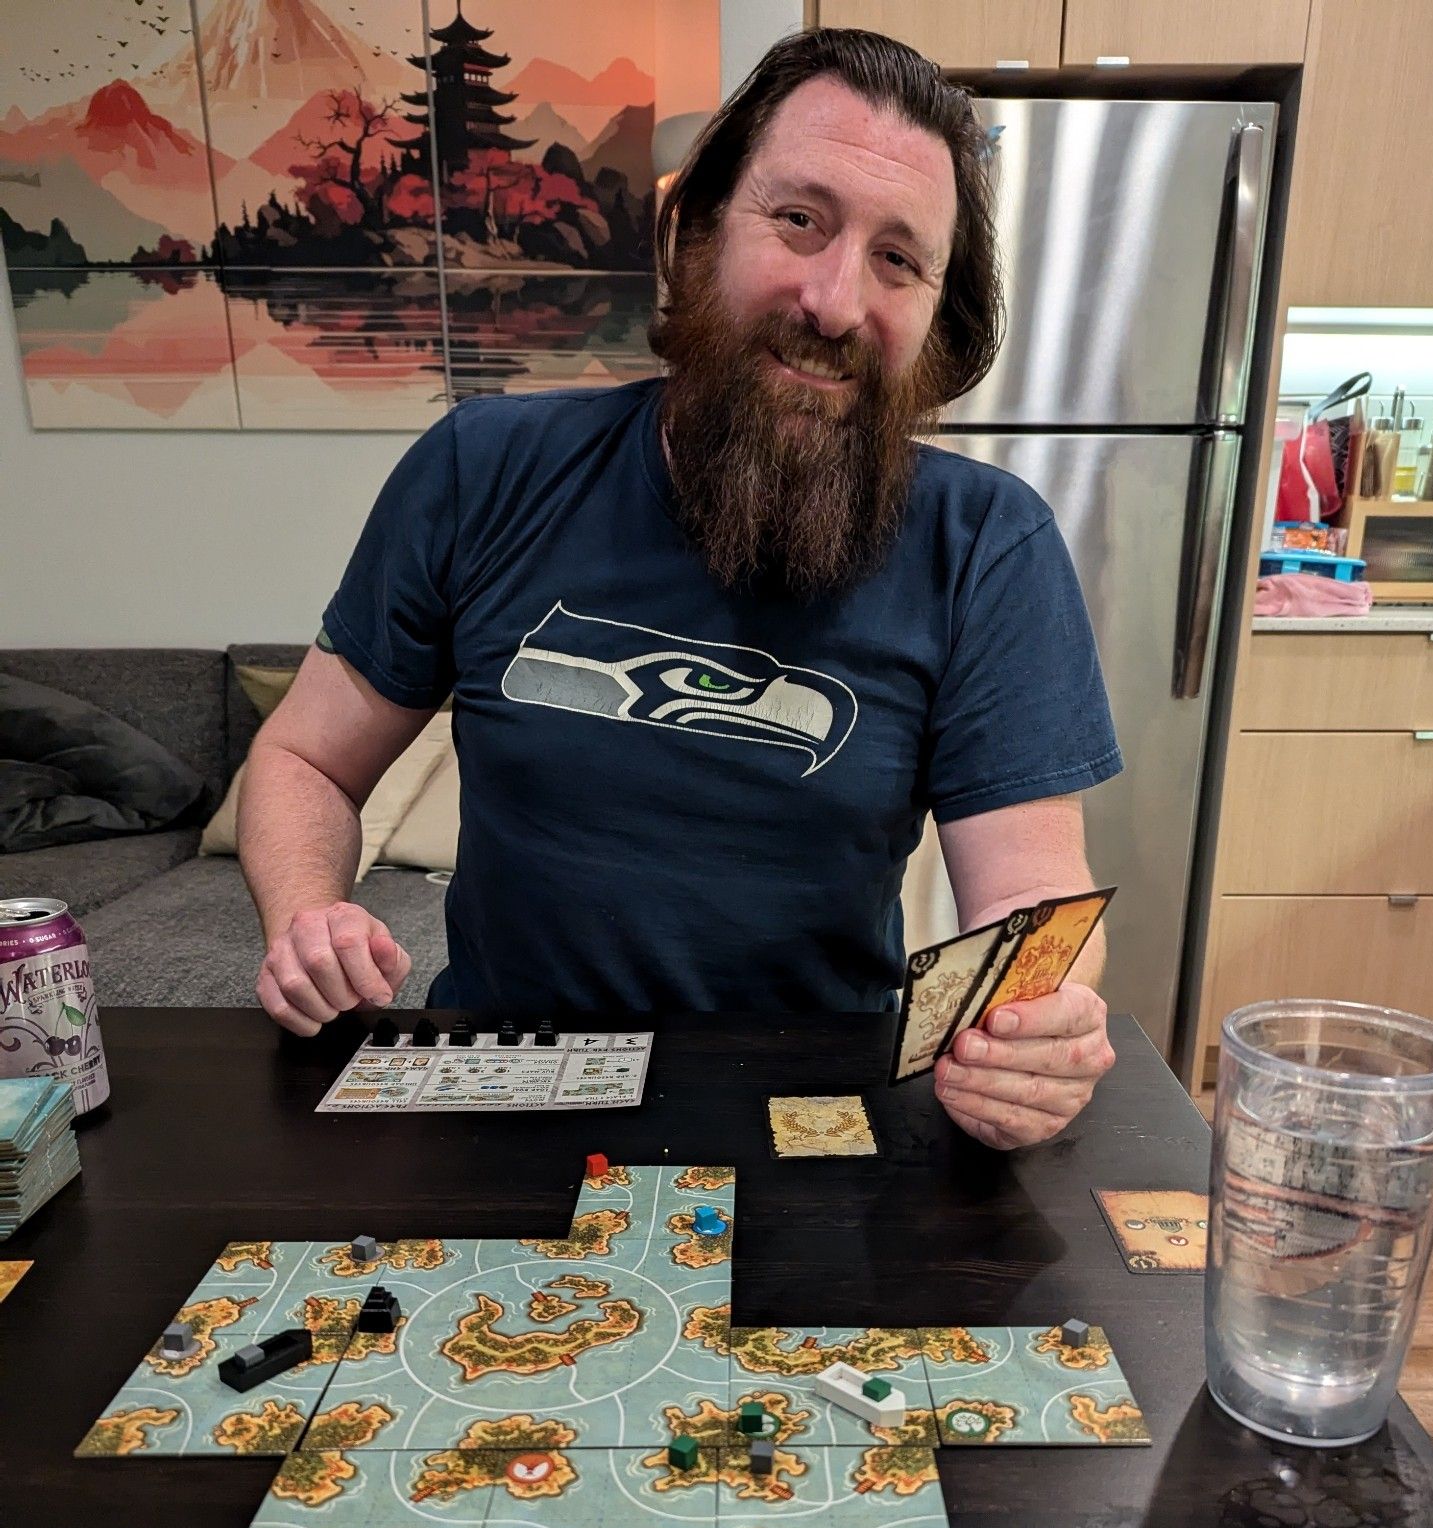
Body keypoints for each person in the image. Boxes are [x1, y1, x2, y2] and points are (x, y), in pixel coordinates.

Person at [240, 27, 1122, 1152]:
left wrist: (1032, 1024)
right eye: (798, 220)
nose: (836, 298)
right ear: (697, 232)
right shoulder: (483, 468)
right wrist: (311, 912)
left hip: (814, 1109)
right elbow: (304, 756)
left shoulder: (987, 542)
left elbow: (1034, 898)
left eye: (898, 258)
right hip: (495, 1093)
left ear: (935, 318)